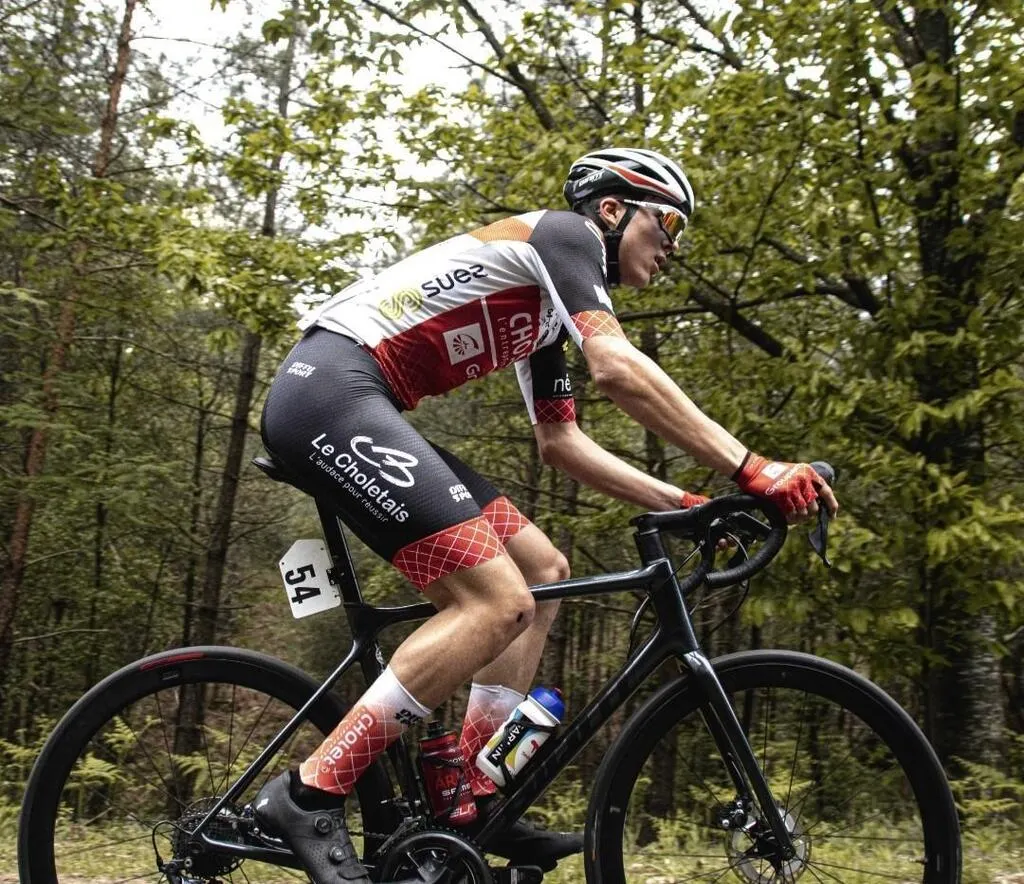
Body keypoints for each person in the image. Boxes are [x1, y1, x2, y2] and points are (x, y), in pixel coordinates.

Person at [253, 146, 839, 883]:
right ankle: (310, 792)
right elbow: (616, 367)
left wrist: (687, 504)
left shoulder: (547, 311)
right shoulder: (565, 235)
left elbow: (561, 444)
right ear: (613, 210)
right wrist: (752, 468)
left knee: (542, 568)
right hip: (329, 394)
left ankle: (467, 795)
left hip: (355, 401)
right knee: (496, 602)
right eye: (668, 225)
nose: (673, 247)